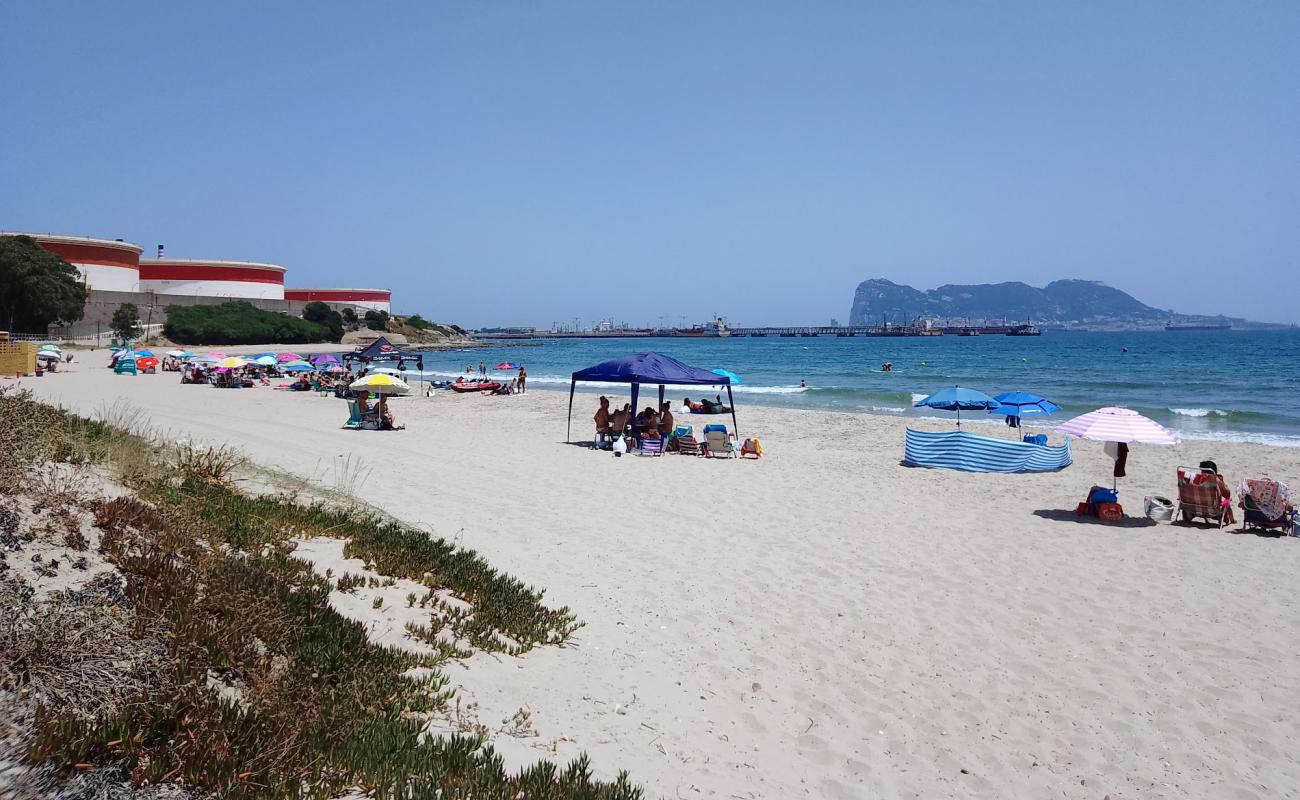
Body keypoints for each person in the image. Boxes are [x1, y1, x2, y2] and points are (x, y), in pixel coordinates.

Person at [1193, 460, 1236, 524]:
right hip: (1214, 510)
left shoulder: (1196, 478)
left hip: (1195, 507)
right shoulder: (1215, 480)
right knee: (1227, 501)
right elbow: (1227, 495)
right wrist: (1222, 482)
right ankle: (1232, 521)